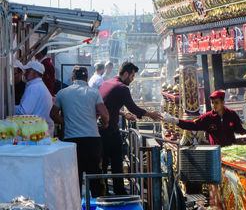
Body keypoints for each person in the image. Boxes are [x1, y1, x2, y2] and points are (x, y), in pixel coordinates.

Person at [99, 62, 162, 195]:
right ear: (126, 74)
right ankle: (119, 191)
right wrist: (151, 115)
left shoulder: (107, 83)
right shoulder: (122, 88)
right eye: (132, 76)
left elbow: (108, 106)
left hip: (100, 129)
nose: (132, 79)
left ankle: (103, 190)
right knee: (117, 162)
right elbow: (133, 108)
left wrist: (122, 113)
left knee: (104, 163)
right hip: (110, 130)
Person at [50, 66, 109, 197]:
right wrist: (105, 123)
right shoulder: (94, 93)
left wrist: (65, 121)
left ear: (72, 78)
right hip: (92, 141)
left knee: (74, 181)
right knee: (95, 180)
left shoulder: (62, 93)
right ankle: (97, 209)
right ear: (86, 78)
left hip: (72, 142)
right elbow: (104, 114)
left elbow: (53, 114)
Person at [163, 90, 246, 146]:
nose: (214, 105)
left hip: (231, 150)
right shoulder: (208, 117)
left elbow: (239, 130)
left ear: (223, 103)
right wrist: (176, 121)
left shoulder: (231, 114)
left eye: (216, 103)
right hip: (217, 151)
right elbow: (194, 125)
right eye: (212, 103)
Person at [15, 60, 54, 136]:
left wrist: (6, 107)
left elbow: (24, 111)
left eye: (28, 71)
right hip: (41, 131)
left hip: (37, 133)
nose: (25, 74)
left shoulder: (34, 87)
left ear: (35, 72)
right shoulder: (38, 86)